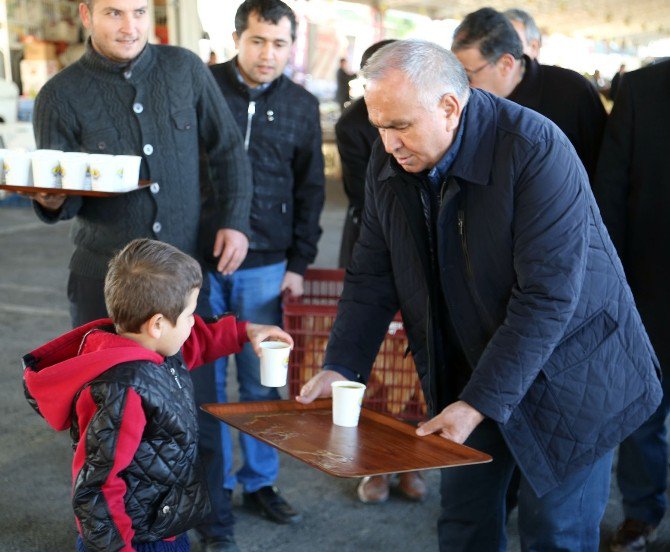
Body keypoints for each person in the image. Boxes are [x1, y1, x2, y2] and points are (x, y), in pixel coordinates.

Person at [296, 39, 662, 551]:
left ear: (450, 106)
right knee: (464, 525)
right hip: (471, 362)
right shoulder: (390, 156)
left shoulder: (534, 148)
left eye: (400, 125)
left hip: (570, 374)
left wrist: (478, 402)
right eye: (380, 125)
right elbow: (372, 275)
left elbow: (547, 297)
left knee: (553, 533)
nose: (389, 142)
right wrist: (341, 365)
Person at [22, 238, 293, 552]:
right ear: (158, 325)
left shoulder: (156, 351)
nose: (195, 322)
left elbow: (196, 343)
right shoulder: (120, 390)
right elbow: (97, 488)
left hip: (163, 523)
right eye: (190, 314)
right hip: (138, 541)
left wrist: (245, 331)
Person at [29, 0, 252, 328]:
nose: (129, 27)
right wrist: (52, 199)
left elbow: (228, 148)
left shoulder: (184, 68)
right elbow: (64, 197)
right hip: (103, 286)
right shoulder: (58, 96)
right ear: (86, 14)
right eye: (114, 13)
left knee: (191, 380)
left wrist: (234, 220)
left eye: (139, 12)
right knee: (109, 380)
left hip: (184, 276)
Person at [192, 0, 324, 549]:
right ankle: (213, 487)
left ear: (290, 46)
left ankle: (260, 481)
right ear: (236, 39)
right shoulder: (202, 87)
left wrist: (298, 265)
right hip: (199, 263)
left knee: (263, 382)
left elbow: (310, 188)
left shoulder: (302, 104)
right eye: (258, 41)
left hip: (267, 266)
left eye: (279, 43)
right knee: (202, 377)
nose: (268, 54)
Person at [334, 38, 426, 504]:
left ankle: (408, 460)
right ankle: (374, 464)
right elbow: (361, 192)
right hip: (374, 239)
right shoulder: (354, 126)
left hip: (421, 256)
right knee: (374, 373)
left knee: (414, 375)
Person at [593, 59, 670, 552]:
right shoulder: (642, 90)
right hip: (650, 284)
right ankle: (642, 514)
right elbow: (610, 194)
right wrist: (611, 288)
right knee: (643, 411)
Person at [451, 7, 606, 184]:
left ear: (505, 64)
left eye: (467, 75)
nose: (461, 86)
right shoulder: (462, 105)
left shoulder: (573, 92)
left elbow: (604, 171)